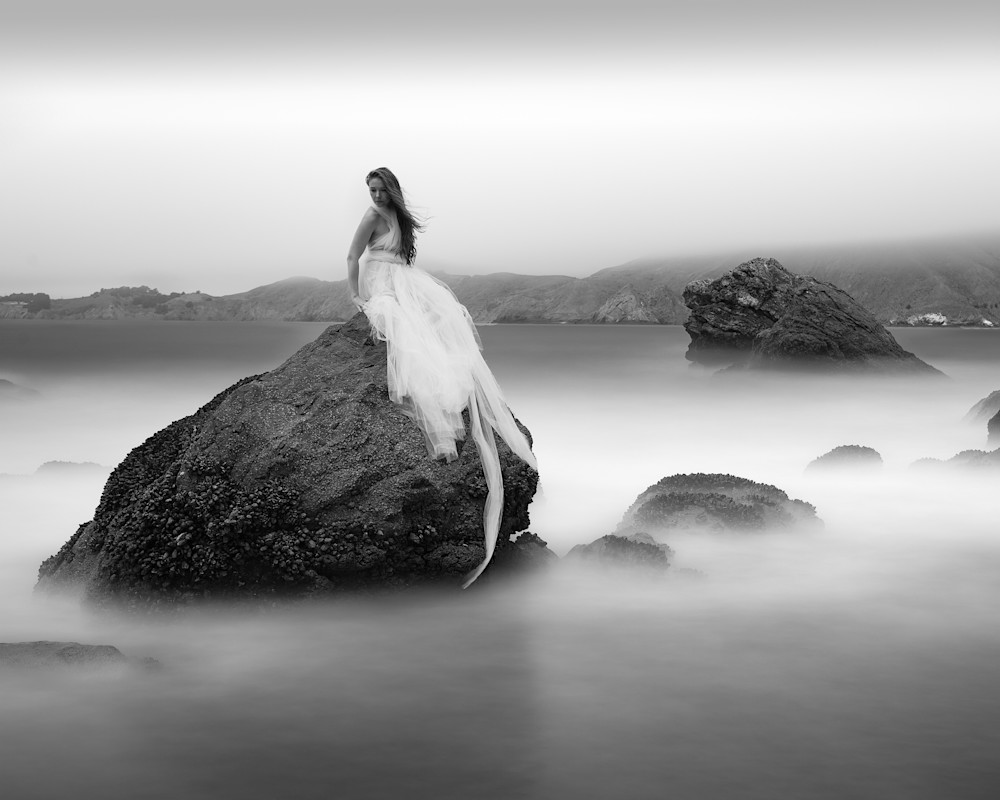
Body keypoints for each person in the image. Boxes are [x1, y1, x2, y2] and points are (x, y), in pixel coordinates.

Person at [346, 167, 538, 588]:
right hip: (380, 281)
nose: (375, 196)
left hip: (403, 278)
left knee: (443, 319)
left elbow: (402, 258)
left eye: (380, 190)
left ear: (392, 189)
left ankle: (446, 384)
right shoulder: (372, 216)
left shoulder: (399, 217)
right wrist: (356, 295)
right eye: (371, 190)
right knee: (406, 332)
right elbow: (352, 256)